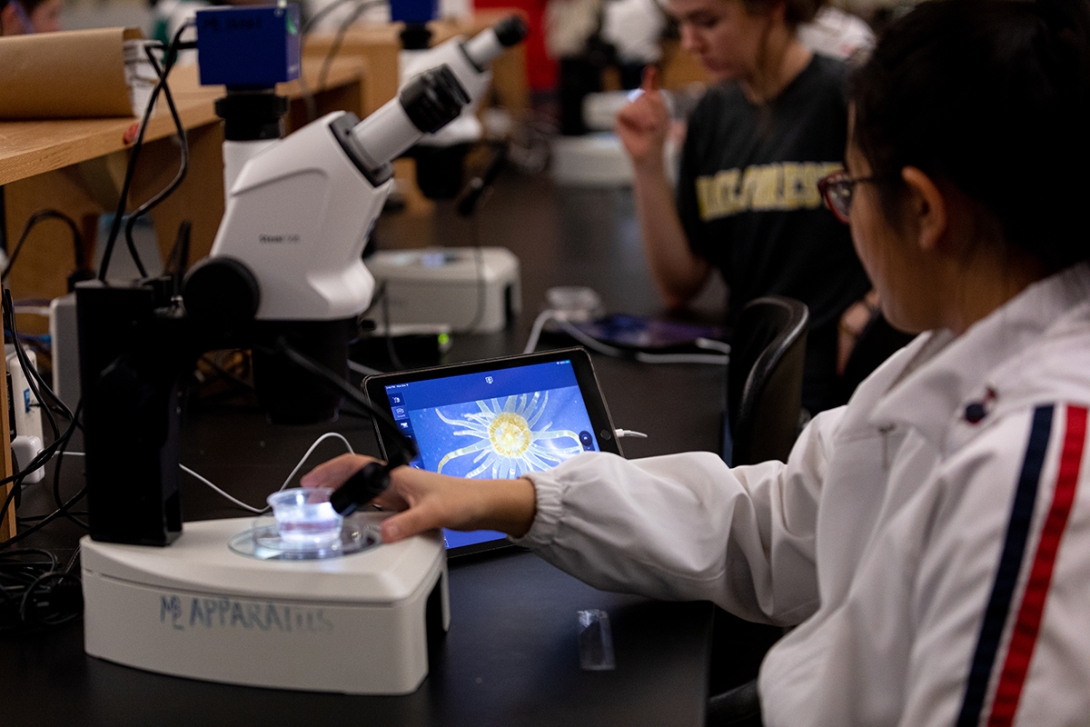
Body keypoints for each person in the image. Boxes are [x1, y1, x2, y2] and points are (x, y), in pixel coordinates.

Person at [304, 0, 1090, 723]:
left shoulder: (1036, 476)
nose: (844, 217)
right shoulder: (945, 361)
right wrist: (510, 499)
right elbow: (775, 523)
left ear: (923, 209)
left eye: (847, 189)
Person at [617, 0, 875, 413]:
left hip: (843, 377)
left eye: (708, 22)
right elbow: (680, 282)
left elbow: (921, 235)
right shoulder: (712, 115)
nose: (689, 43)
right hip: (753, 369)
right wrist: (647, 164)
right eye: (681, 25)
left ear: (772, 9)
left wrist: (871, 309)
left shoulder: (846, 96)